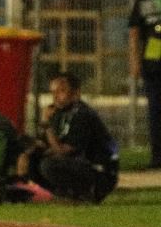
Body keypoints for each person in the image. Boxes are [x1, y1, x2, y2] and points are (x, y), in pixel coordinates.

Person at [17, 72, 119, 203]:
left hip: (100, 172)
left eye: (61, 91)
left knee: (48, 165)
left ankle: (86, 193)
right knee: (32, 161)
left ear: (76, 93)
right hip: (77, 165)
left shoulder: (82, 115)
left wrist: (46, 124)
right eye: (53, 93)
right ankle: (66, 195)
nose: (56, 97)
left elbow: (61, 151)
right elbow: (45, 144)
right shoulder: (59, 112)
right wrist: (26, 152)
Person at [127, 0, 161, 169]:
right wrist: (135, 61)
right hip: (153, 62)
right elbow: (134, 32)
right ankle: (158, 157)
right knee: (156, 111)